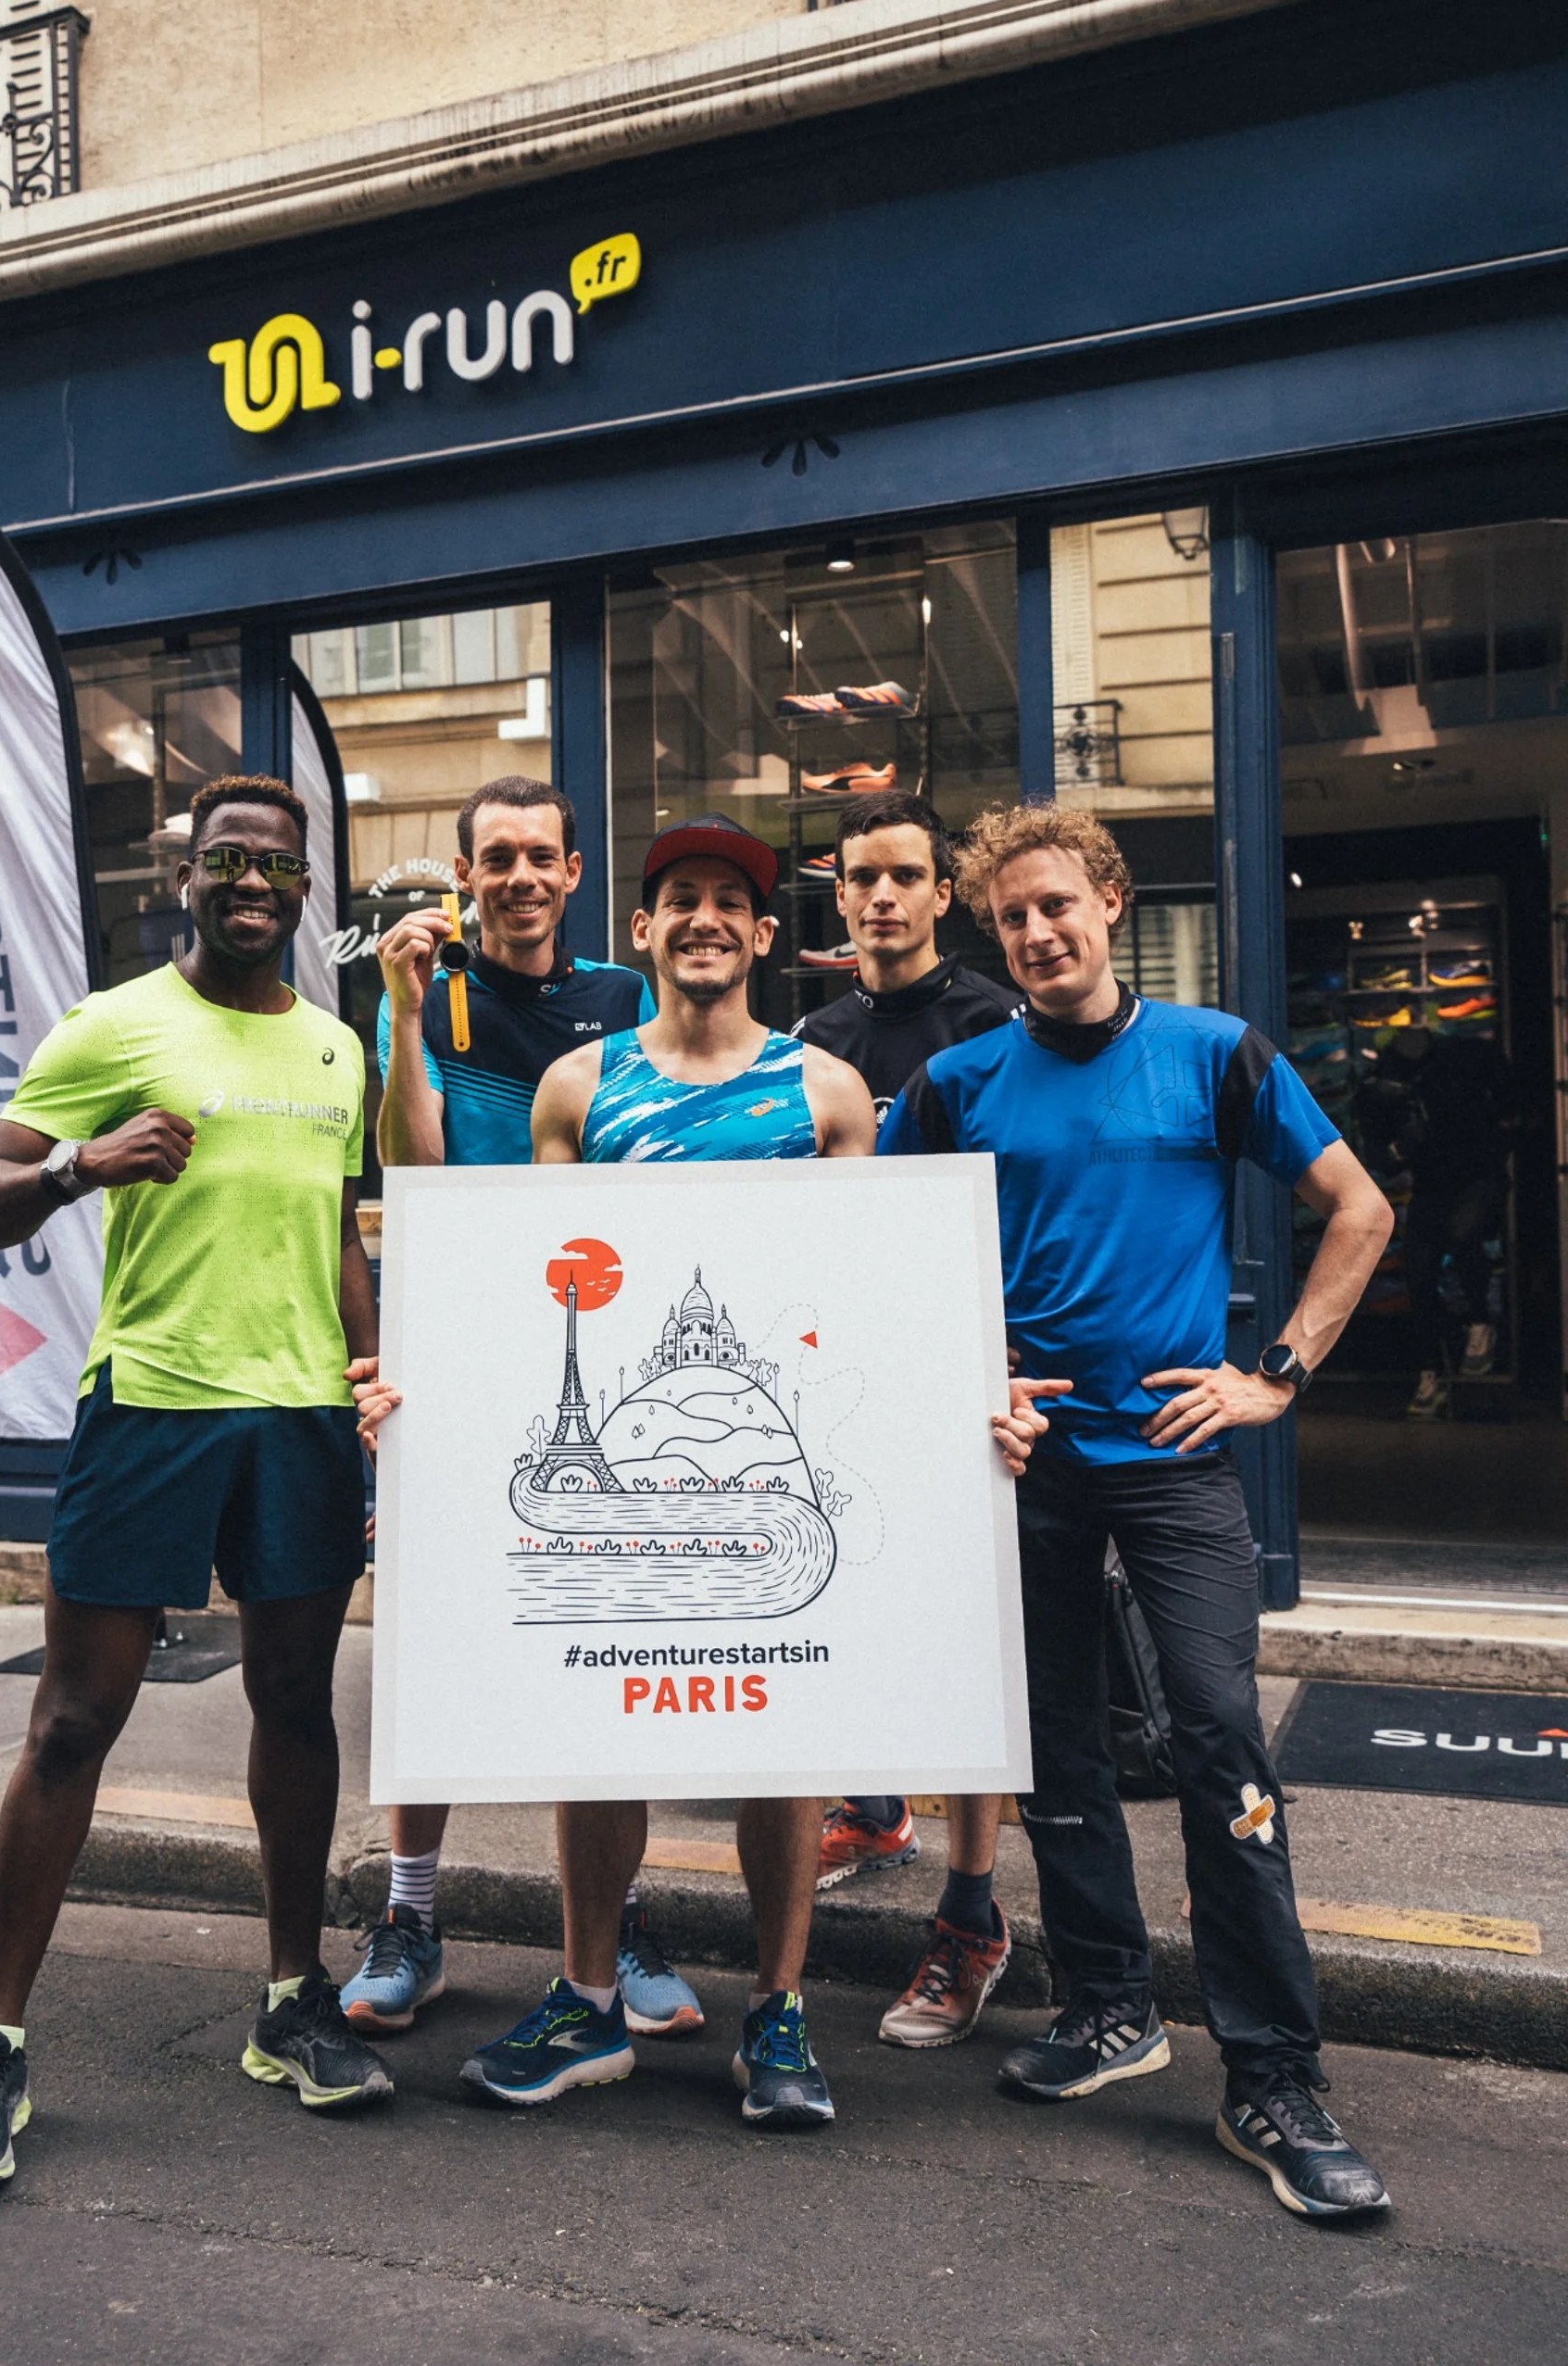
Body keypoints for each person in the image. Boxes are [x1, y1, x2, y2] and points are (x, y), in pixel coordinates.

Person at [452, 812, 1051, 2130]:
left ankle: (775, 2013)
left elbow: (881, 1299)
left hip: (782, 1453)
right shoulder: (577, 1089)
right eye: (682, 899)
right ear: (642, 930)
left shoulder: (826, 1092)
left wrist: (976, 1406)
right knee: (595, 1727)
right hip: (637, 1443)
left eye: (733, 899)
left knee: (784, 1730)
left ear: (769, 935)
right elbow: (530, 1293)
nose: (707, 917)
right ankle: (589, 1993)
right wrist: (426, 1396)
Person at [879, 802, 1397, 2221]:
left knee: (1220, 1736)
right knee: (1055, 1748)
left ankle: (1274, 2075)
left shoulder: (1216, 1055)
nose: (1039, 935)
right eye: (1013, 919)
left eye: (1059, 905)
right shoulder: (958, 1081)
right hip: (1026, 1462)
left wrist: (1272, 1375)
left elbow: (1358, 1208)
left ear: (1108, 901)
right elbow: (878, 1256)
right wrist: (971, 1363)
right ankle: (1110, 2007)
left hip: (1174, 1458)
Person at [0, 775, 397, 2198]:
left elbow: (336, 1231)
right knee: (72, 1724)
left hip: (301, 1417)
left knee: (298, 1710)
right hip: (152, 1411)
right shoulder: (113, 1025)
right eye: (226, 859)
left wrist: (374, 1370)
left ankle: (292, 1999)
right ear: (185, 875)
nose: (252, 881)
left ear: (308, 888)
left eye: (278, 864)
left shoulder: (332, 1047)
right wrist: (78, 1161)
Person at [345, 775, 702, 2043]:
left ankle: (616, 1925)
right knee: (434, 1634)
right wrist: (394, 1009)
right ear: (464, 872)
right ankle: (411, 1914)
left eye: (539, 856)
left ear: (572, 870)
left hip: (597, 1341)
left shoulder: (621, 998)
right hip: (457, 1341)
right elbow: (412, 1166)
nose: (519, 878)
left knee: (603, 1634)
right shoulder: (430, 995)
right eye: (495, 858)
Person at [793, 790, 1028, 2054]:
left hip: (968, 1366)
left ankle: (973, 1913)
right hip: (844, 1361)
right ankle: (875, 1810)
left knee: (967, 1650)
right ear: (839, 897)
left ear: (945, 892)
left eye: (903, 877)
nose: (880, 896)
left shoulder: (995, 1017)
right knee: (840, 1600)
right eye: (860, 878)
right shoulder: (814, 1034)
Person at [1354, 1023, 1519, 1416]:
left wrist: (1502, 1138)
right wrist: (1397, 1150)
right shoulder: (1385, 1083)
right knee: (1419, 1273)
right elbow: (1379, 1151)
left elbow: (1513, 1103)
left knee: (1463, 1236)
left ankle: (1479, 1322)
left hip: (1478, 1173)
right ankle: (1430, 1373)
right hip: (1434, 1180)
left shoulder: (1466, 1058)